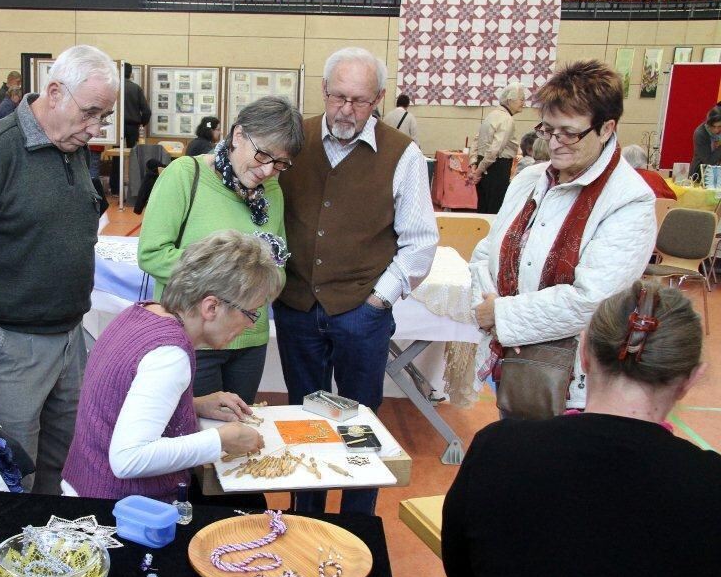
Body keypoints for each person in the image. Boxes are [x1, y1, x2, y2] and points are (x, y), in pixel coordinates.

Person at [443, 281, 721, 577]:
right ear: (690, 379)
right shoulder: (709, 485)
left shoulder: (501, 448)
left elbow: (461, 573)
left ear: (585, 353)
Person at [0, 45, 118, 494]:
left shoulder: (69, 143)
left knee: (69, 451)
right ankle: (17, 550)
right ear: (54, 92)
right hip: (11, 339)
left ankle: (54, 541)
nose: (95, 129)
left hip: (69, 333)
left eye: (103, 117)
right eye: (90, 113)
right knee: (16, 459)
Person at [275, 47, 438, 516]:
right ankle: (305, 519)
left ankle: (356, 527)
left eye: (360, 101)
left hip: (361, 315)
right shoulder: (295, 139)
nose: (346, 110)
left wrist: (376, 302)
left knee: (359, 426)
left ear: (380, 99)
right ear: (323, 92)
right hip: (298, 308)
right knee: (303, 419)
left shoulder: (402, 154)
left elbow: (420, 242)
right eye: (338, 97)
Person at [470, 60, 657, 414]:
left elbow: (592, 300)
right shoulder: (530, 180)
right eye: (548, 130)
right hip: (513, 362)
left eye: (569, 133)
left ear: (606, 128)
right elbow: (485, 254)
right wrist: (489, 306)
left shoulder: (629, 199)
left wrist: (503, 315)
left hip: (577, 382)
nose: (554, 144)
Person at [62, 231, 276, 501]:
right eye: (250, 313)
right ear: (211, 307)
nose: (251, 324)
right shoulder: (170, 355)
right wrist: (220, 440)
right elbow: (128, 459)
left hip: (86, 483)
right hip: (117, 509)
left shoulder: (140, 312)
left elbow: (122, 404)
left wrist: (194, 405)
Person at [138, 96, 303, 404]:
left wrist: (262, 285)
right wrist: (234, 281)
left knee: (237, 437)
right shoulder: (186, 175)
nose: (268, 171)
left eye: (280, 163)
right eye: (263, 155)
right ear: (238, 135)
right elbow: (152, 253)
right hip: (193, 337)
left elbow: (276, 269)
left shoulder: (272, 192)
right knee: (194, 437)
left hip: (250, 341)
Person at [468, 82, 528, 214]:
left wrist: (474, 165)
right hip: (497, 167)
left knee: (483, 206)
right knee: (495, 209)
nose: (524, 103)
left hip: (483, 163)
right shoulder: (507, 119)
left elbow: (476, 141)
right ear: (510, 100)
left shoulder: (491, 115)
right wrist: (478, 172)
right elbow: (496, 149)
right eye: (521, 99)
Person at [110, 62, 152, 195]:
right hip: (133, 127)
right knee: (134, 156)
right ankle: (134, 189)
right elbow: (146, 111)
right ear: (130, 73)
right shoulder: (136, 88)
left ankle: (116, 189)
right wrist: (141, 123)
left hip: (117, 127)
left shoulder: (113, 88)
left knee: (117, 156)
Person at [690, 102, 721, 176]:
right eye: (713, 126)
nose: (716, 130)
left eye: (719, 126)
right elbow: (709, 161)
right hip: (699, 175)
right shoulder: (700, 134)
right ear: (708, 123)